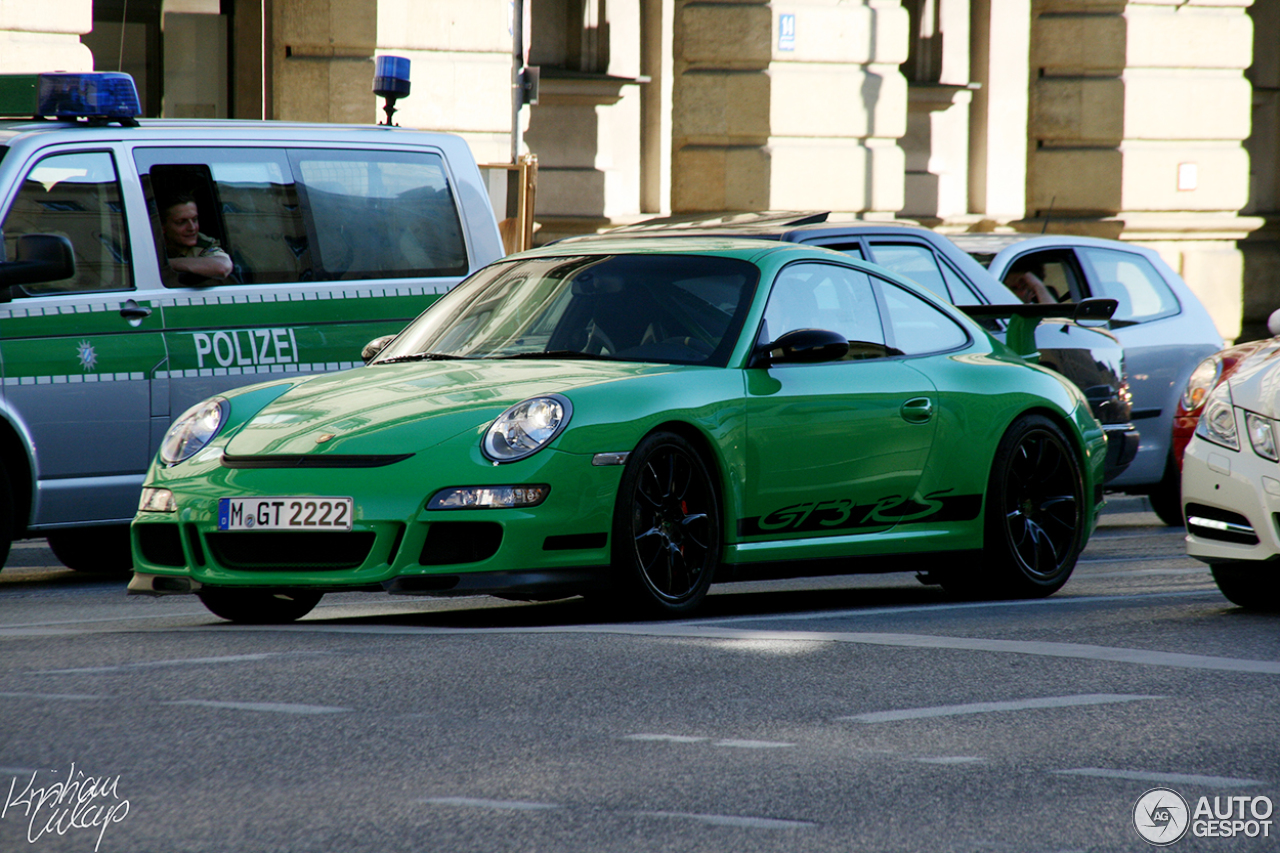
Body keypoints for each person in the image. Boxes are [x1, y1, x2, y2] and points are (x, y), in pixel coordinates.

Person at [160, 194, 232, 280]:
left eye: (194, 220)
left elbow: (222, 267)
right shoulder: (150, 244)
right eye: (181, 222)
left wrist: (165, 264)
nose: (192, 228)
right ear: (162, 227)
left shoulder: (204, 244)